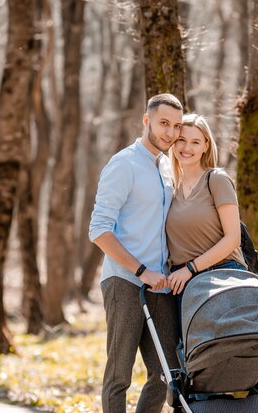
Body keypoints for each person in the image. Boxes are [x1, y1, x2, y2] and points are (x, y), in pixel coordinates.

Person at [89, 93, 183, 413]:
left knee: (164, 373)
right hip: (124, 281)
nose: (170, 132)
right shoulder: (123, 164)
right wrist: (141, 270)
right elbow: (99, 230)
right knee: (120, 374)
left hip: (162, 285)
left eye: (176, 126)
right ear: (147, 121)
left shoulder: (169, 168)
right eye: (163, 123)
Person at [166, 113, 247, 298]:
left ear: (206, 146)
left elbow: (233, 238)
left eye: (195, 142)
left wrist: (190, 269)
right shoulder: (169, 188)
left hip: (223, 275)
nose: (187, 148)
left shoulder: (217, 179)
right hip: (183, 283)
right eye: (181, 140)